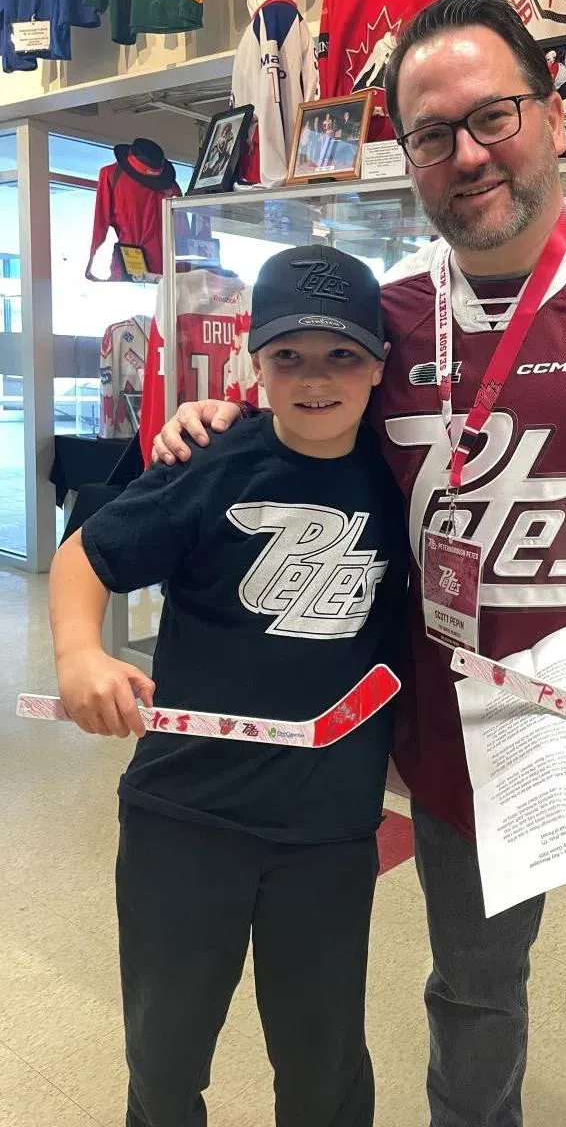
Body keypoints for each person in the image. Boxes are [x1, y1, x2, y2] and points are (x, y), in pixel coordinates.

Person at [153, 0, 566, 1127]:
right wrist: (204, 430)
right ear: (407, 157)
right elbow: (300, 429)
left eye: (492, 116)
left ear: (554, 115)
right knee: (471, 1004)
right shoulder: (390, 318)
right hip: (466, 748)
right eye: (431, 133)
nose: (466, 154)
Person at [50, 244, 408, 1127]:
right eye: (288, 357)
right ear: (255, 362)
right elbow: (84, 556)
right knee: (165, 1059)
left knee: (323, 1066)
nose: (315, 380)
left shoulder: (407, 477)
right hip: (186, 817)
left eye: (342, 357)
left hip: (327, 830)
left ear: (380, 368)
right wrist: (78, 657)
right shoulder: (210, 461)